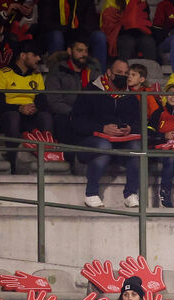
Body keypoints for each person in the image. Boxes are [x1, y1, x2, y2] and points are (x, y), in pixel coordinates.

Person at [72, 57, 143, 208]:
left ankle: (131, 193)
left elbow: (140, 122)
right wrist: (102, 128)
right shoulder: (91, 91)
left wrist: (130, 128)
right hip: (91, 141)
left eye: (126, 73)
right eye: (119, 72)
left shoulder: (130, 96)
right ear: (109, 73)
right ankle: (91, 193)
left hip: (121, 143)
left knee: (137, 147)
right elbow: (77, 121)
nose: (122, 76)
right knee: (103, 147)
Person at [0, 41, 53, 172]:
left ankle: (48, 160)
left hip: (30, 116)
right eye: (35, 55)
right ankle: (12, 165)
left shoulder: (37, 76)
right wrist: (19, 108)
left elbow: (43, 102)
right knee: (13, 117)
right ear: (23, 56)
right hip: (6, 117)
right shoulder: (2, 74)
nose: (39, 59)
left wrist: (35, 107)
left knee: (46, 117)